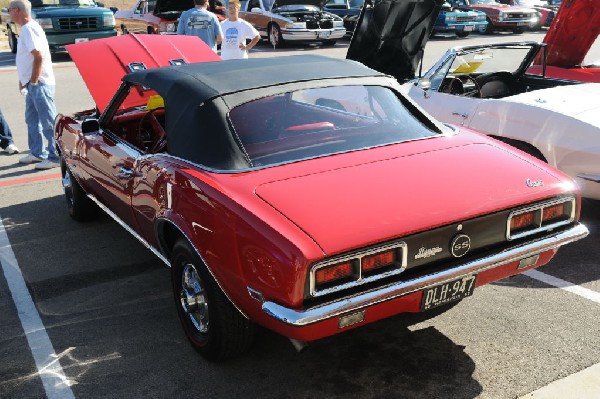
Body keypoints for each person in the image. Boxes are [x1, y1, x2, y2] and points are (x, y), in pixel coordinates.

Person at [9, 0, 58, 170]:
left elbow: (38, 56)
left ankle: (55, 156)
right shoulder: (27, 29)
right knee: (32, 119)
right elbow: (27, 59)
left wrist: (34, 81)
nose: (8, 13)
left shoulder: (29, 29)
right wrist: (24, 82)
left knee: (48, 121)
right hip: (32, 84)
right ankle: (38, 152)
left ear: (17, 10)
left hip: (39, 84)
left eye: (9, 10)